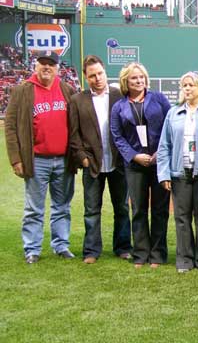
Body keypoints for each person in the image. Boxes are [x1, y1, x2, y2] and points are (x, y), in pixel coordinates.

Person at [5, 50, 76, 263]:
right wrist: (16, 158)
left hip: (63, 159)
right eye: (42, 63)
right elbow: (10, 127)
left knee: (62, 206)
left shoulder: (67, 89)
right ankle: (32, 249)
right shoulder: (22, 90)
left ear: (57, 68)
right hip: (36, 159)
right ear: (35, 66)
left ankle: (61, 245)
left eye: (51, 64)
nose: (46, 67)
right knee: (34, 208)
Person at [69, 55, 132, 264]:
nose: (97, 78)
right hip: (92, 163)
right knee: (91, 210)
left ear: (105, 72)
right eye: (92, 75)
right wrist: (83, 159)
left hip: (118, 163)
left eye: (100, 73)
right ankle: (91, 251)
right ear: (86, 78)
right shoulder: (78, 100)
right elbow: (74, 134)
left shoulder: (118, 96)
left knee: (122, 207)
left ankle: (123, 247)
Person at [110, 62, 171, 269]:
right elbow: (117, 136)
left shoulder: (159, 99)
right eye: (134, 78)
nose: (139, 81)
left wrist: (159, 152)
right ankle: (141, 253)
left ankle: (158, 254)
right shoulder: (119, 106)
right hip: (135, 165)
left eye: (142, 77)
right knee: (138, 209)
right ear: (126, 81)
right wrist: (134, 156)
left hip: (159, 162)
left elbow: (169, 125)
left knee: (160, 209)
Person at [157, 72, 198, 273]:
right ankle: (184, 259)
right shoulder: (173, 114)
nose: (188, 89)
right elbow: (164, 145)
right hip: (179, 173)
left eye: (191, 85)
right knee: (181, 218)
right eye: (184, 85)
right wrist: (164, 174)